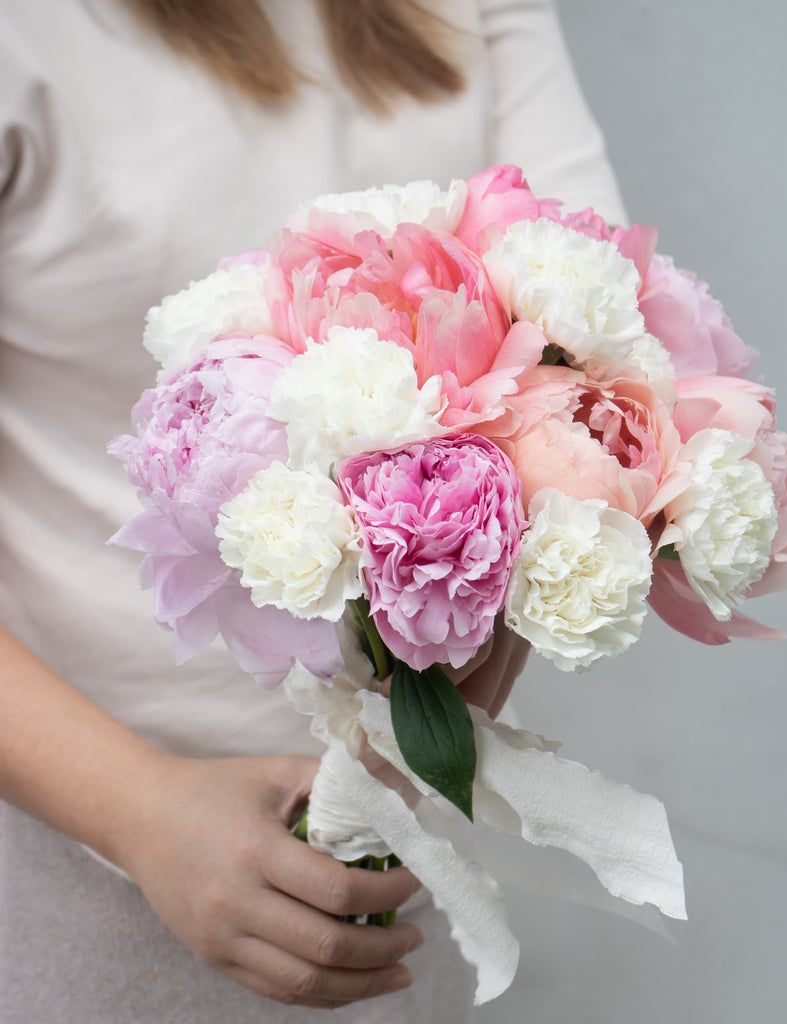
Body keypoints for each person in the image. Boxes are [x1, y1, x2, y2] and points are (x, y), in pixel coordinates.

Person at [0, 1, 627, 1020]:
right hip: (73, 829)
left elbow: (596, 331)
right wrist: (139, 809)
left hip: (401, 834)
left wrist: (418, 735)